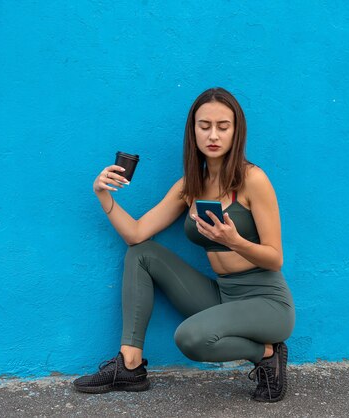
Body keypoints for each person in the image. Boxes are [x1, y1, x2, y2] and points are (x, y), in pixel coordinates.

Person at [73, 87, 295, 402]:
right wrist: (102, 194)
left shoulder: (252, 180)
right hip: (223, 296)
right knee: (141, 253)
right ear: (193, 132)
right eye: (204, 126)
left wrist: (234, 240)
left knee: (189, 338)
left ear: (236, 132)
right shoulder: (190, 186)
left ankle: (267, 353)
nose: (213, 135)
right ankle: (130, 364)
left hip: (267, 302)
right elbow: (136, 233)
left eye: (223, 126)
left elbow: (275, 259)